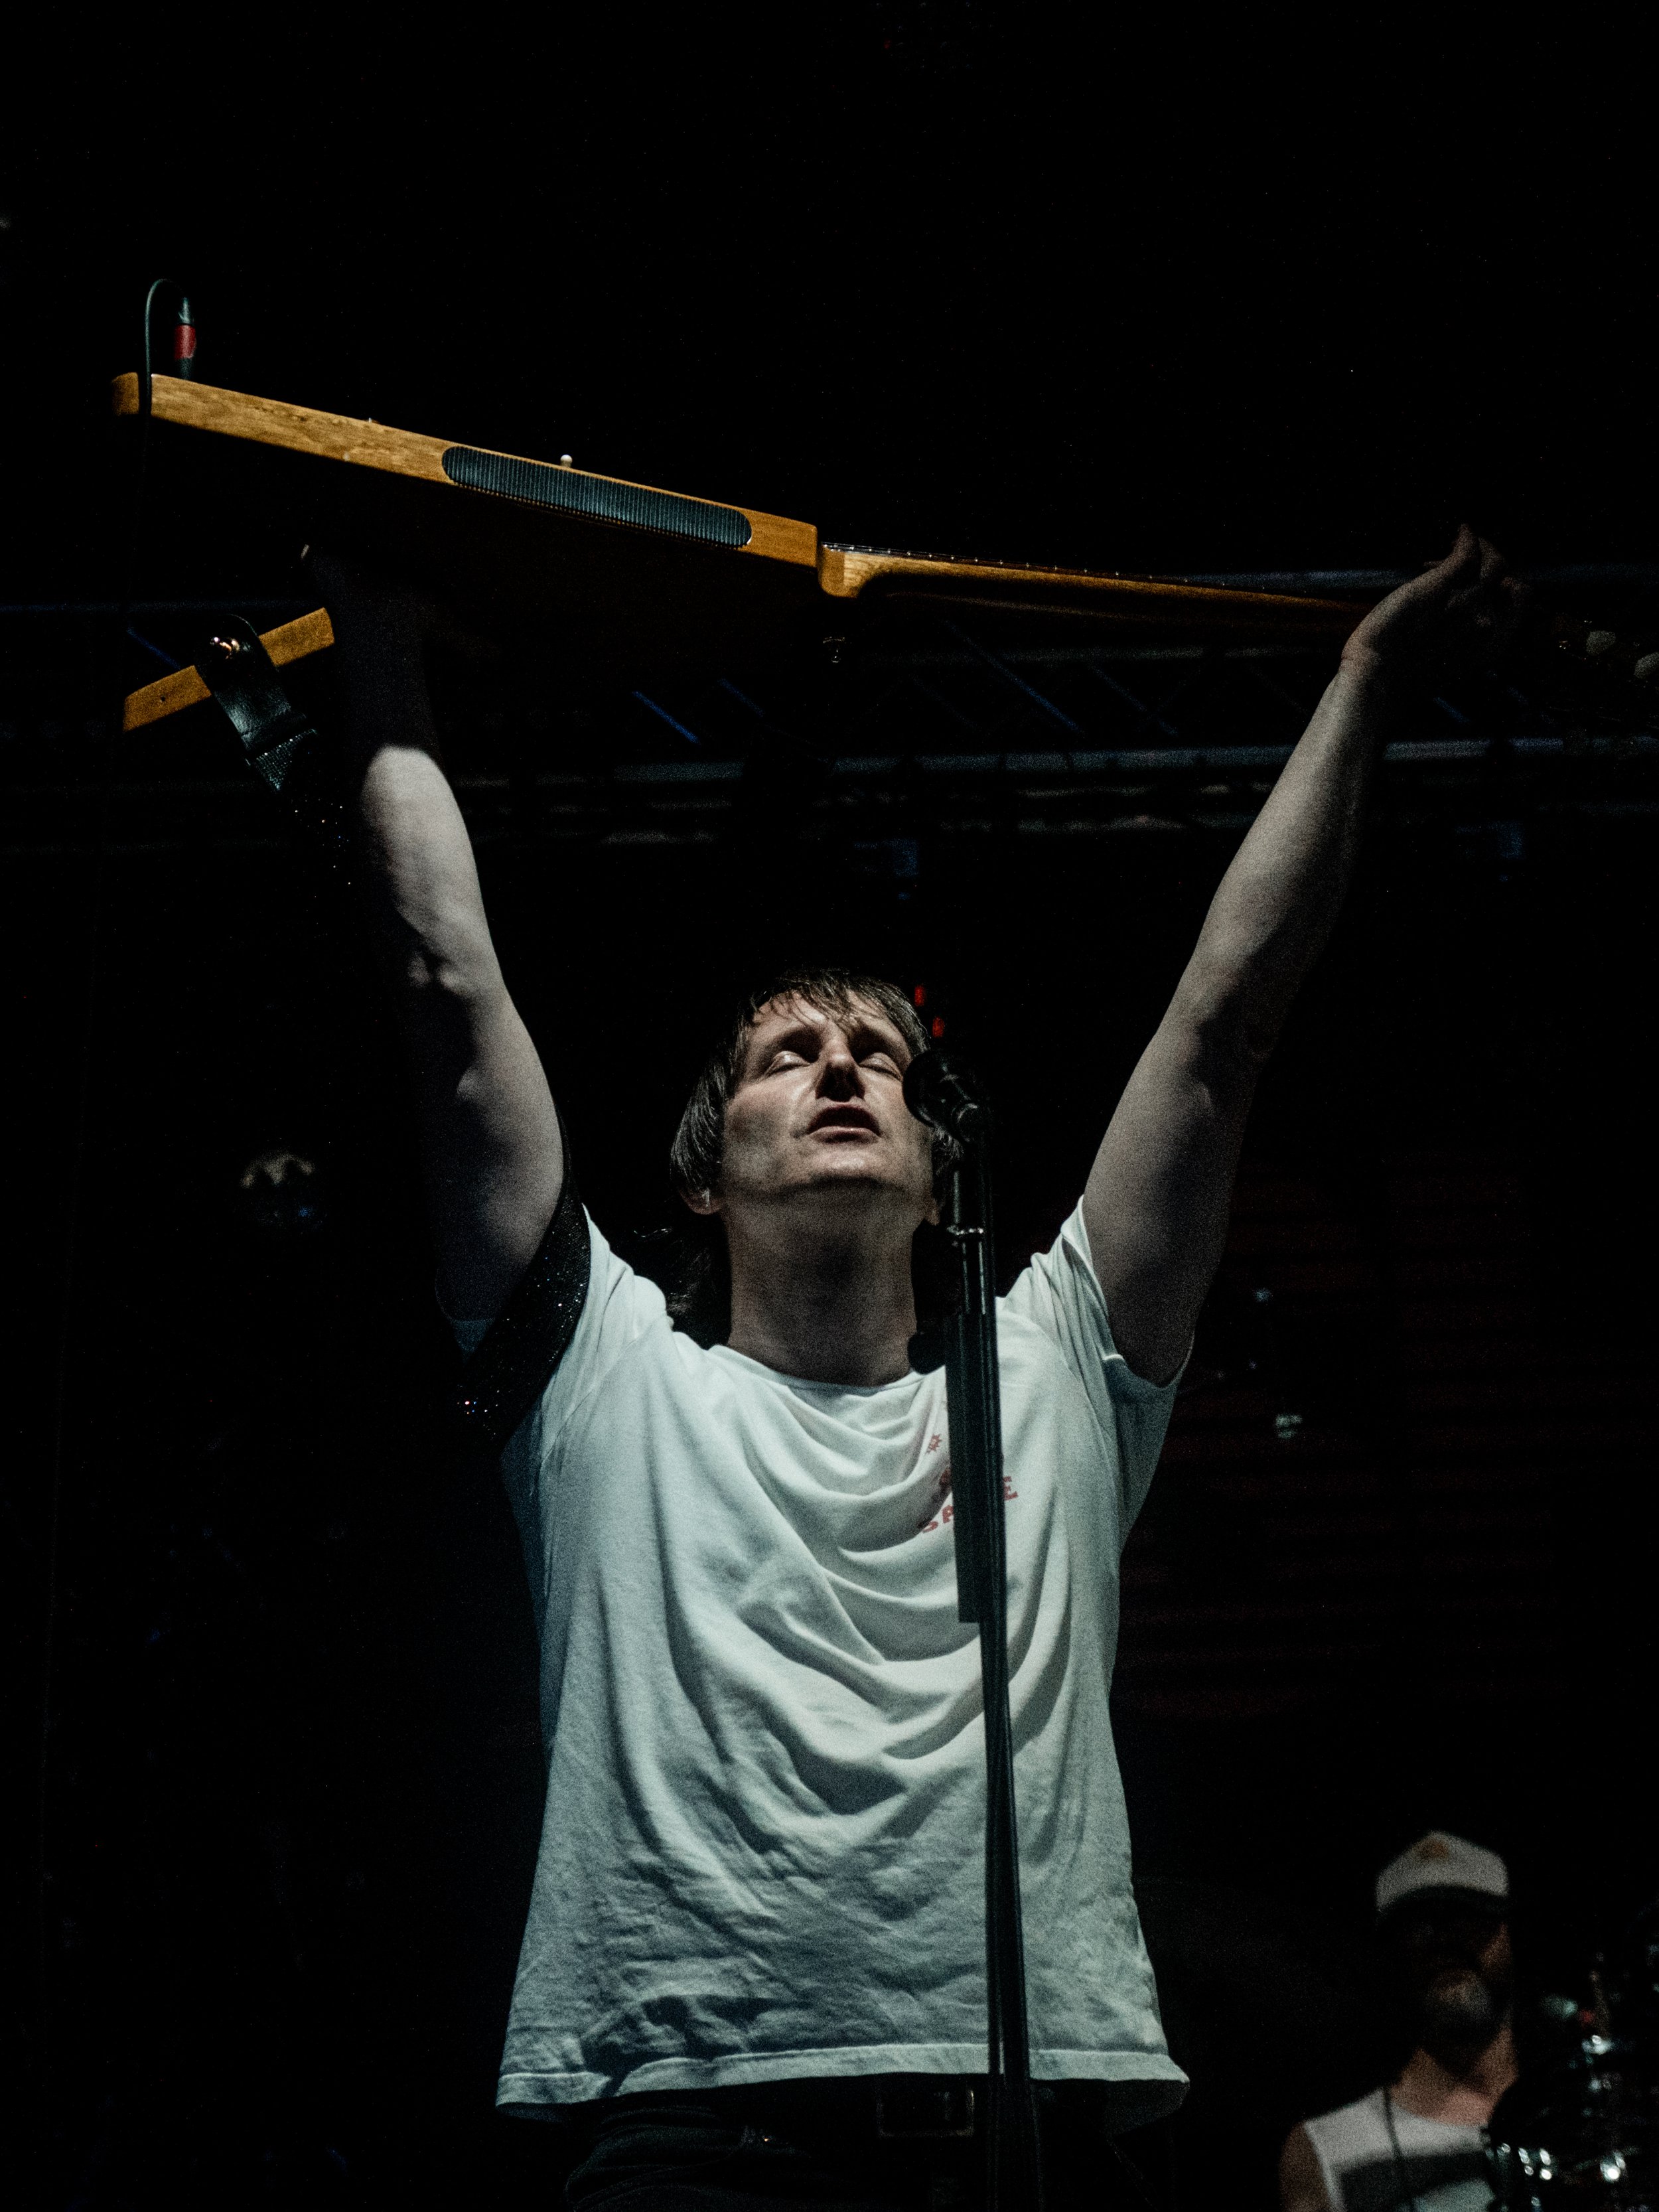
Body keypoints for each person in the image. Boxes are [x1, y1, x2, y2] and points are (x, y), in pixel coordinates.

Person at [323, 533, 1524, 2209]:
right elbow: (446, 988)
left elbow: (1227, 1012)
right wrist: (377, 659)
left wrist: (1367, 685)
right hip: (691, 2138)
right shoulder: (597, 1375)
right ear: (701, 1166)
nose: (838, 1068)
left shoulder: (1059, 1365)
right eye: (786, 1054)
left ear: (937, 1166)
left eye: (877, 1055)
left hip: (1028, 2137)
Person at [1279, 1832, 1518, 2212]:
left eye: (1466, 1917)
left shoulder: (1585, 2110)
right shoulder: (1327, 2149)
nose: (1443, 1940)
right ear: (1389, 1956)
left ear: (1509, 1935)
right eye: (1418, 1926)